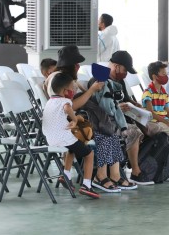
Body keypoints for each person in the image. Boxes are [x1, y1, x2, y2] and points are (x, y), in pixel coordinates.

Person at [46, 45, 136, 193]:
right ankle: (99, 177)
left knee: (111, 131)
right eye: (76, 63)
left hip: (68, 123)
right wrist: (91, 90)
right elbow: (71, 106)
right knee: (106, 133)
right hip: (66, 125)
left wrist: (87, 90)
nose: (78, 66)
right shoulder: (58, 80)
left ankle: (112, 175)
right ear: (70, 65)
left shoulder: (64, 78)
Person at [89, 50, 157, 185]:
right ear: (116, 66)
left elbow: (126, 99)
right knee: (134, 132)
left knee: (153, 128)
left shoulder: (120, 81)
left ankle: (148, 166)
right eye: (125, 70)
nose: (125, 74)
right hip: (107, 122)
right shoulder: (98, 81)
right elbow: (99, 107)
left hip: (124, 117)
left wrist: (135, 105)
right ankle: (136, 171)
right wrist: (118, 107)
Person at [42, 72, 99, 199]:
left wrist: (74, 117)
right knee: (89, 154)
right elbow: (68, 108)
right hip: (63, 138)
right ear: (64, 91)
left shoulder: (50, 101)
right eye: (72, 89)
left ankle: (65, 175)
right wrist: (74, 119)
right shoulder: (65, 100)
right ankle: (86, 185)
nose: (74, 91)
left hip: (51, 139)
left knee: (71, 149)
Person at [141, 61, 169, 179]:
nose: (166, 76)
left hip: (162, 122)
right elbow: (151, 113)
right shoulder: (148, 92)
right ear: (155, 76)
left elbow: (167, 109)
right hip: (153, 123)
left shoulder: (163, 91)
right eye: (163, 73)